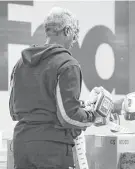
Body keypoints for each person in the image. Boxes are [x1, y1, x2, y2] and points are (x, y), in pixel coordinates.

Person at [9, 7, 104, 169]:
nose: (75, 39)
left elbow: (13, 110)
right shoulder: (67, 64)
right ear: (67, 30)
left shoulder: (21, 63)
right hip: (52, 149)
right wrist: (93, 116)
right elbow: (68, 116)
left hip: (21, 145)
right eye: (75, 33)